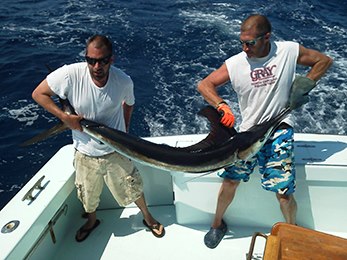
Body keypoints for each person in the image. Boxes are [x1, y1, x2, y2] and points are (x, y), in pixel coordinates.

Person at [197, 14, 333, 249]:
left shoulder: (288, 51)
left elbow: (323, 61)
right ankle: (217, 223)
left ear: (267, 37)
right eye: (242, 42)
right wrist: (221, 105)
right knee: (230, 181)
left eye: (250, 42)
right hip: (248, 132)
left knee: (283, 193)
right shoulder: (236, 63)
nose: (245, 48)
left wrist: (306, 84)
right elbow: (204, 85)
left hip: (279, 128)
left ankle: (292, 232)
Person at [32, 34, 165, 242]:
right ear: (86, 58)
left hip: (116, 149)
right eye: (91, 60)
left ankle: (148, 217)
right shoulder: (69, 74)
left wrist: (125, 130)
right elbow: (39, 93)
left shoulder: (123, 81)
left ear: (111, 59)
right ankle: (92, 221)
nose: (96, 66)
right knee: (87, 195)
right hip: (85, 152)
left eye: (102, 60)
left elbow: (129, 104)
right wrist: (65, 118)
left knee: (132, 187)